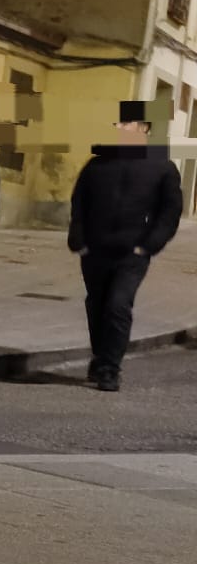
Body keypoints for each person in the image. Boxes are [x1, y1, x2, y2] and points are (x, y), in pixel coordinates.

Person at [68, 103, 183, 391]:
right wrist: (79, 240)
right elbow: (79, 202)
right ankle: (100, 356)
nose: (119, 128)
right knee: (96, 305)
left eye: (126, 123)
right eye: (118, 124)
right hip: (94, 251)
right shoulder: (98, 163)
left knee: (118, 304)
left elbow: (170, 212)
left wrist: (148, 246)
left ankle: (110, 369)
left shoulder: (162, 166)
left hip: (132, 254)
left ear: (143, 129)